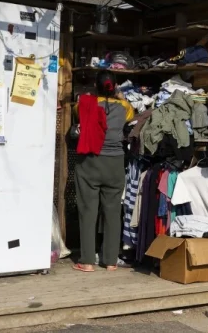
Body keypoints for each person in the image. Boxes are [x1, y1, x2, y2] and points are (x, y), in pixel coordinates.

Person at [73, 70, 134, 272]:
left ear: (95, 86)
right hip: (115, 164)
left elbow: (76, 112)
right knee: (113, 212)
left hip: (91, 162)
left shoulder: (84, 103)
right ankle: (110, 261)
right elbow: (129, 114)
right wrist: (119, 96)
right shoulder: (124, 107)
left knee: (88, 212)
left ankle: (87, 261)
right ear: (114, 86)